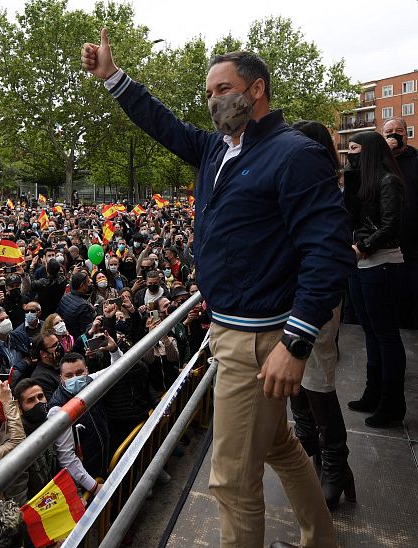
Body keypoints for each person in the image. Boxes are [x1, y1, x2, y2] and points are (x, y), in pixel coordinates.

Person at [83, 33, 353, 546]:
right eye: (208, 93)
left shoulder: (293, 154)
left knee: (230, 482)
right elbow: (162, 123)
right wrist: (113, 78)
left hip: (259, 340)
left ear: (257, 90)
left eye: (223, 89)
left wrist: (296, 341)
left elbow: (329, 251)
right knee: (280, 447)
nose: (213, 101)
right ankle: (321, 539)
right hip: (232, 329)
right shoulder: (215, 149)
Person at [288, 120, 355, 509]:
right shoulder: (295, 188)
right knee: (296, 378)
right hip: (289, 294)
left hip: (315, 297)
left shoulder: (325, 194)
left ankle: (334, 462)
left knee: (316, 376)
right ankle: (311, 449)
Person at [344, 131, 407, 428]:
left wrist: (363, 247)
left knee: (386, 334)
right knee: (370, 331)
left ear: (368, 151)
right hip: (360, 265)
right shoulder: (361, 183)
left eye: (354, 148)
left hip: (382, 264)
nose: (350, 154)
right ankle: (374, 393)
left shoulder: (388, 181)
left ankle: (392, 404)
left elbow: (391, 225)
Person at [47, 353, 109, 497]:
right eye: (69, 375)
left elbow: (118, 366)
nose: (75, 378)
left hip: (104, 463)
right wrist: (93, 486)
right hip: (87, 480)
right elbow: (66, 456)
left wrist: (113, 350)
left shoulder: (90, 382)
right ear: (61, 378)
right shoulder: (58, 409)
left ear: (87, 371)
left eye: (79, 373)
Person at [382, 117, 418, 329]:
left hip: (413, 243)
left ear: (406, 134)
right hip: (385, 243)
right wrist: (384, 153)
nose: (394, 134)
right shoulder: (378, 161)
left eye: (399, 131)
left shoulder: (415, 159)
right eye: (388, 132)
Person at [56, 272, 95, 341]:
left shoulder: (65, 296)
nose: (90, 284)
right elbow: (86, 332)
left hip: (66, 337)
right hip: (76, 341)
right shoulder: (84, 306)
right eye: (88, 282)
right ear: (82, 286)